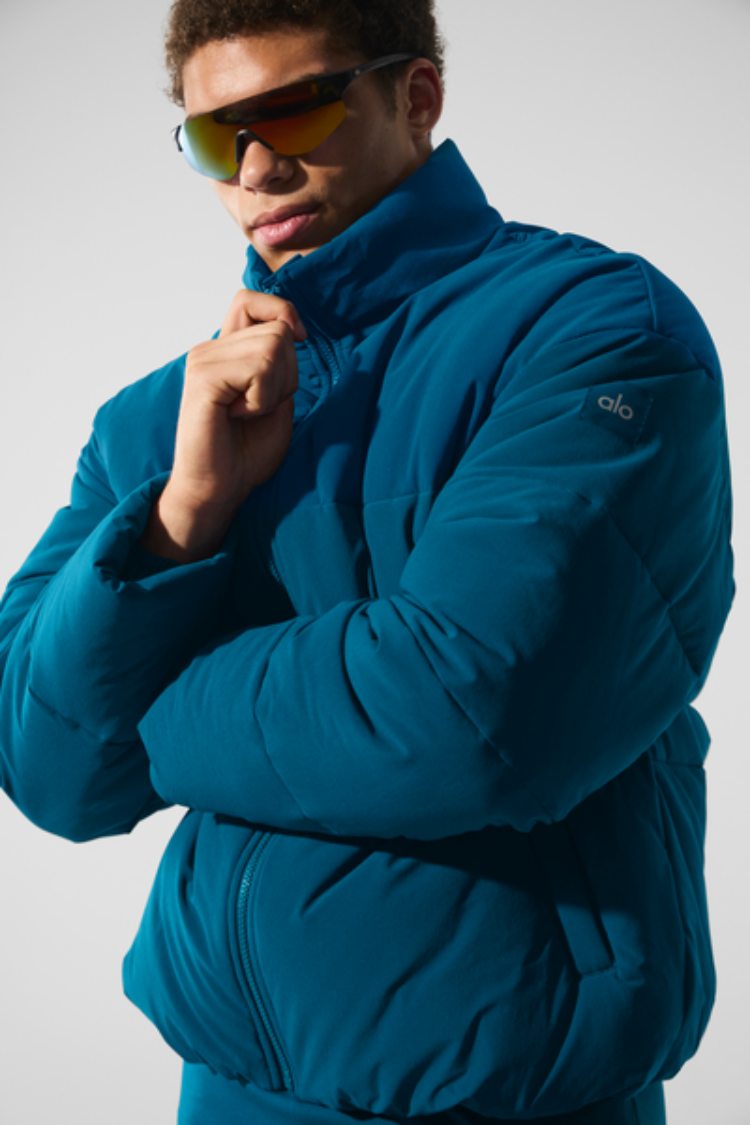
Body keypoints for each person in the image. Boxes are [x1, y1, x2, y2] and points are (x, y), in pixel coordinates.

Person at [0, 1, 735, 1122]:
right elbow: (46, 764)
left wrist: (144, 704)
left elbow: (475, 718)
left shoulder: (594, 332)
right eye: (216, 138)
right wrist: (184, 516)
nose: (255, 169)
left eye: (295, 111)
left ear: (417, 95)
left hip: (518, 1098)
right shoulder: (164, 419)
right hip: (230, 1088)